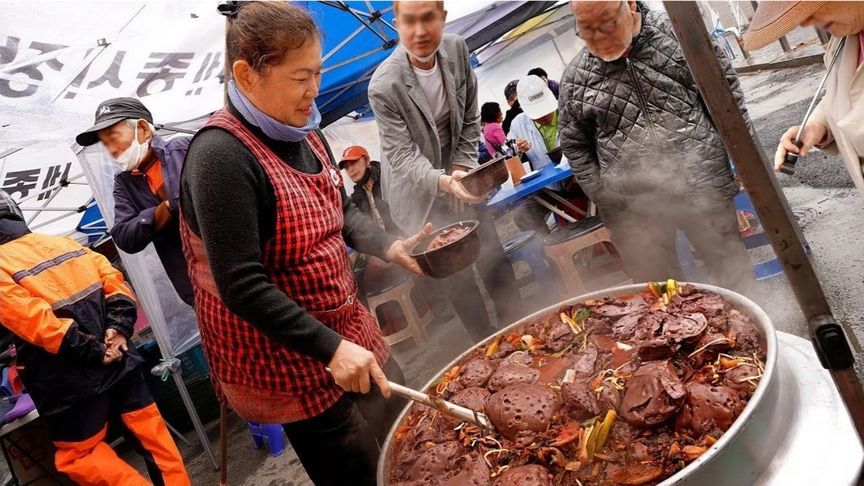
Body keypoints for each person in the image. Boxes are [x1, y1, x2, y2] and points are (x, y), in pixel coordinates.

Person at [181, 3, 428, 484]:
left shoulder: (305, 130)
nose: (313, 90)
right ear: (246, 76)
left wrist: (388, 246)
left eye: (317, 73)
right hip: (286, 354)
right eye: (300, 78)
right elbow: (240, 284)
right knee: (357, 469)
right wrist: (330, 349)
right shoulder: (220, 157)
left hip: (344, 323)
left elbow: (341, 211)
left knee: (413, 434)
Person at [560, 1, 757, 295]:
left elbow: (726, 100)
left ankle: (761, 332)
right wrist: (607, 197)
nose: (600, 38)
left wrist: (746, 163)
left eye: (608, 23)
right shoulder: (576, 78)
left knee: (733, 275)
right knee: (660, 298)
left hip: (700, 183)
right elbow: (575, 146)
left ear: (629, 4)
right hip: (633, 207)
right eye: (588, 29)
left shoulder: (680, 35)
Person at [0, 190, 189, 486]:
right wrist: (119, 329)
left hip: (68, 379)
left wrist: (94, 350)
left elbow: (36, 321)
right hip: (119, 359)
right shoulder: (64, 243)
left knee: (78, 457)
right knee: (156, 442)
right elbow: (116, 284)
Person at [368, 0, 523, 342]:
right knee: (456, 274)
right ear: (396, 23)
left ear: (443, 18)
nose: (420, 31)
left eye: (428, 19)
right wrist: (442, 181)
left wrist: (460, 168)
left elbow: (470, 119)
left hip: (458, 173)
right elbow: (401, 154)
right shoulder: (384, 86)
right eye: (409, 21)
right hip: (417, 190)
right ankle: (488, 346)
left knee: (491, 253)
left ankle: (523, 330)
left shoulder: (456, 49)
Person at [76, 98, 194, 306]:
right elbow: (123, 236)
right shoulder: (124, 183)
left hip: (238, 269)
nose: (110, 149)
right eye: (105, 143)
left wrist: (156, 218)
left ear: (143, 129)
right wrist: (163, 210)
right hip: (196, 290)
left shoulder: (181, 149)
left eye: (113, 137)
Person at [743, 1, 864, 195]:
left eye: (813, 6)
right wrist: (817, 126)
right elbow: (848, 89)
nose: (807, 21)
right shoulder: (845, 39)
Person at [508, 75, 587, 234]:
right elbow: (506, 152)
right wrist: (516, 149)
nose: (545, 116)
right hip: (548, 189)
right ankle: (551, 248)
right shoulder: (518, 123)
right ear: (524, 108)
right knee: (523, 215)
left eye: (546, 110)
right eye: (537, 114)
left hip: (581, 178)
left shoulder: (569, 110)